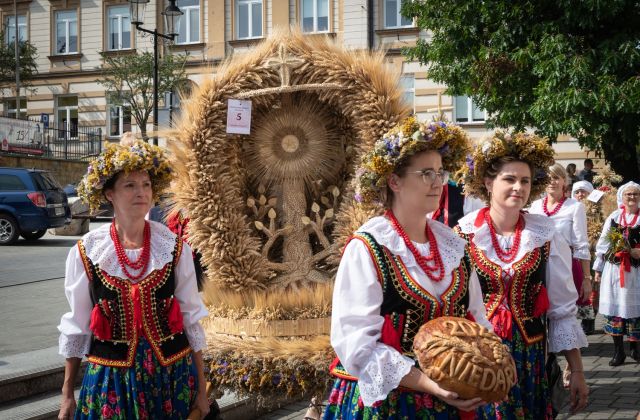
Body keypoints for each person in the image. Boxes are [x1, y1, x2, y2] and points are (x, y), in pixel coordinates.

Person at [324, 118, 492, 419]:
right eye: (426, 173)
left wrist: (487, 368)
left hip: (453, 400)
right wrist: (430, 385)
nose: (438, 182)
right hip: (391, 403)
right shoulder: (368, 248)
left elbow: (477, 318)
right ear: (395, 181)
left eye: (441, 172)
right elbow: (356, 345)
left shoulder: (453, 246)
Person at [57, 134, 210, 419]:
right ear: (109, 194)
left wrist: (201, 389)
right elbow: (77, 325)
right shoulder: (88, 252)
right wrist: (67, 395)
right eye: (130, 185)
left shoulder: (175, 248)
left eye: (146, 184)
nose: (141, 192)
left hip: (170, 378)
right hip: (110, 382)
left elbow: (191, 318)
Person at [456, 132, 589, 419]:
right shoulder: (462, 235)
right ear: (489, 183)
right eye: (509, 179)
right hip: (478, 360)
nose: (518, 187)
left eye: (525, 181)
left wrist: (576, 369)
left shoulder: (544, 235)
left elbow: (561, 309)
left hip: (529, 359)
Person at [593, 181, 640, 366]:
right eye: (628, 194)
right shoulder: (614, 217)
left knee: (636, 310)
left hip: (636, 272)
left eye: (635, 194)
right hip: (615, 271)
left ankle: (635, 349)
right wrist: (598, 268)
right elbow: (603, 244)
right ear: (622, 196)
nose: (632, 197)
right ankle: (618, 352)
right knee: (616, 311)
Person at [572, 180, 598, 335]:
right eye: (577, 192)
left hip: (592, 254)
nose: (580, 195)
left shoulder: (596, 211)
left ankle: (590, 320)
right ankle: (580, 319)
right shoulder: (570, 209)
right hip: (575, 255)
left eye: (584, 192)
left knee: (592, 288)